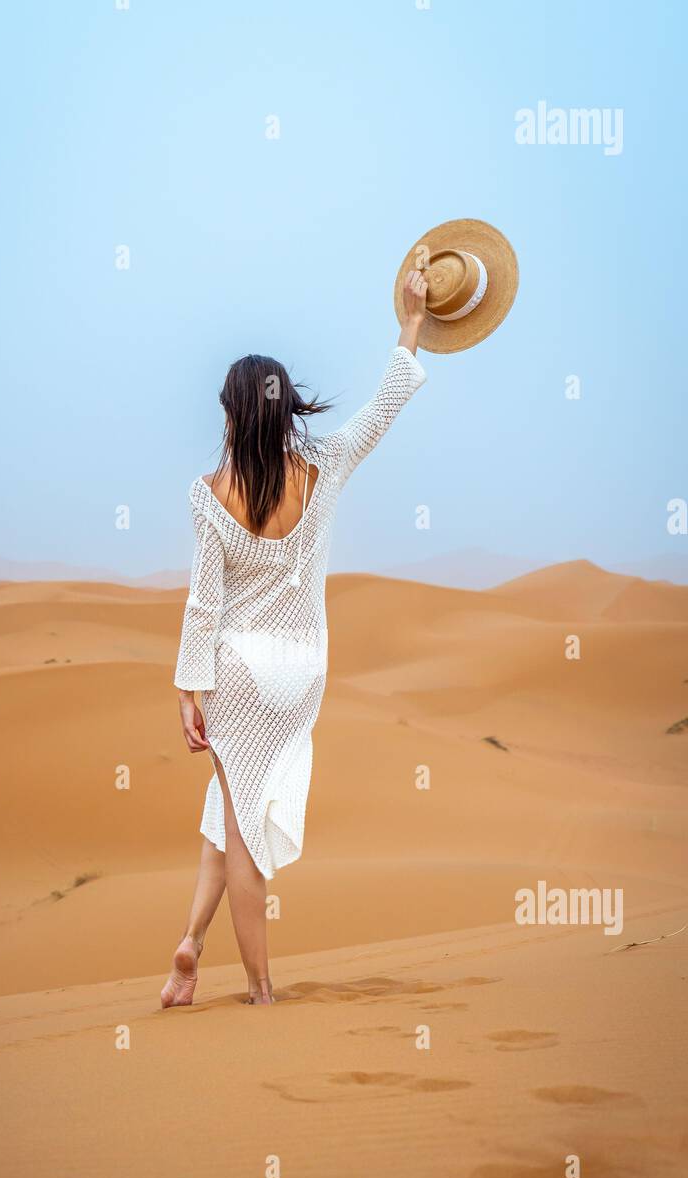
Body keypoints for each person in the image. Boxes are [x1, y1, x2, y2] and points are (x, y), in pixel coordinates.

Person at [163, 270, 428, 1007]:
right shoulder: (323, 468)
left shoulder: (208, 494)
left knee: (244, 828)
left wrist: (189, 690)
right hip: (302, 673)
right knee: (232, 810)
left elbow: (203, 605)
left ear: (231, 415)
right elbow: (382, 409)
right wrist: (411, 323)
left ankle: (261, 991)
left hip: (238, 675)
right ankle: (191, 943)